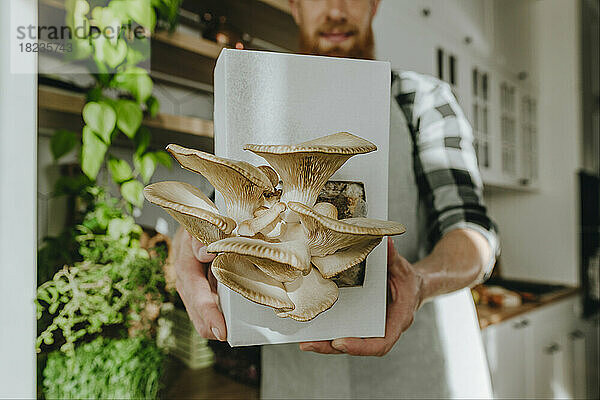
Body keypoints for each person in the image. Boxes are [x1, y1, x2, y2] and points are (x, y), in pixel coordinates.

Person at [172, 0, 499, 397]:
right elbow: (221, 212)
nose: (336, 10)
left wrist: (418, 283)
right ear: (295, 7)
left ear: (375, 5)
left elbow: (471, 229)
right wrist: (186, 245)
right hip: (300, 375)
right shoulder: (259, 105)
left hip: (420, 372)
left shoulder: (420, 97)